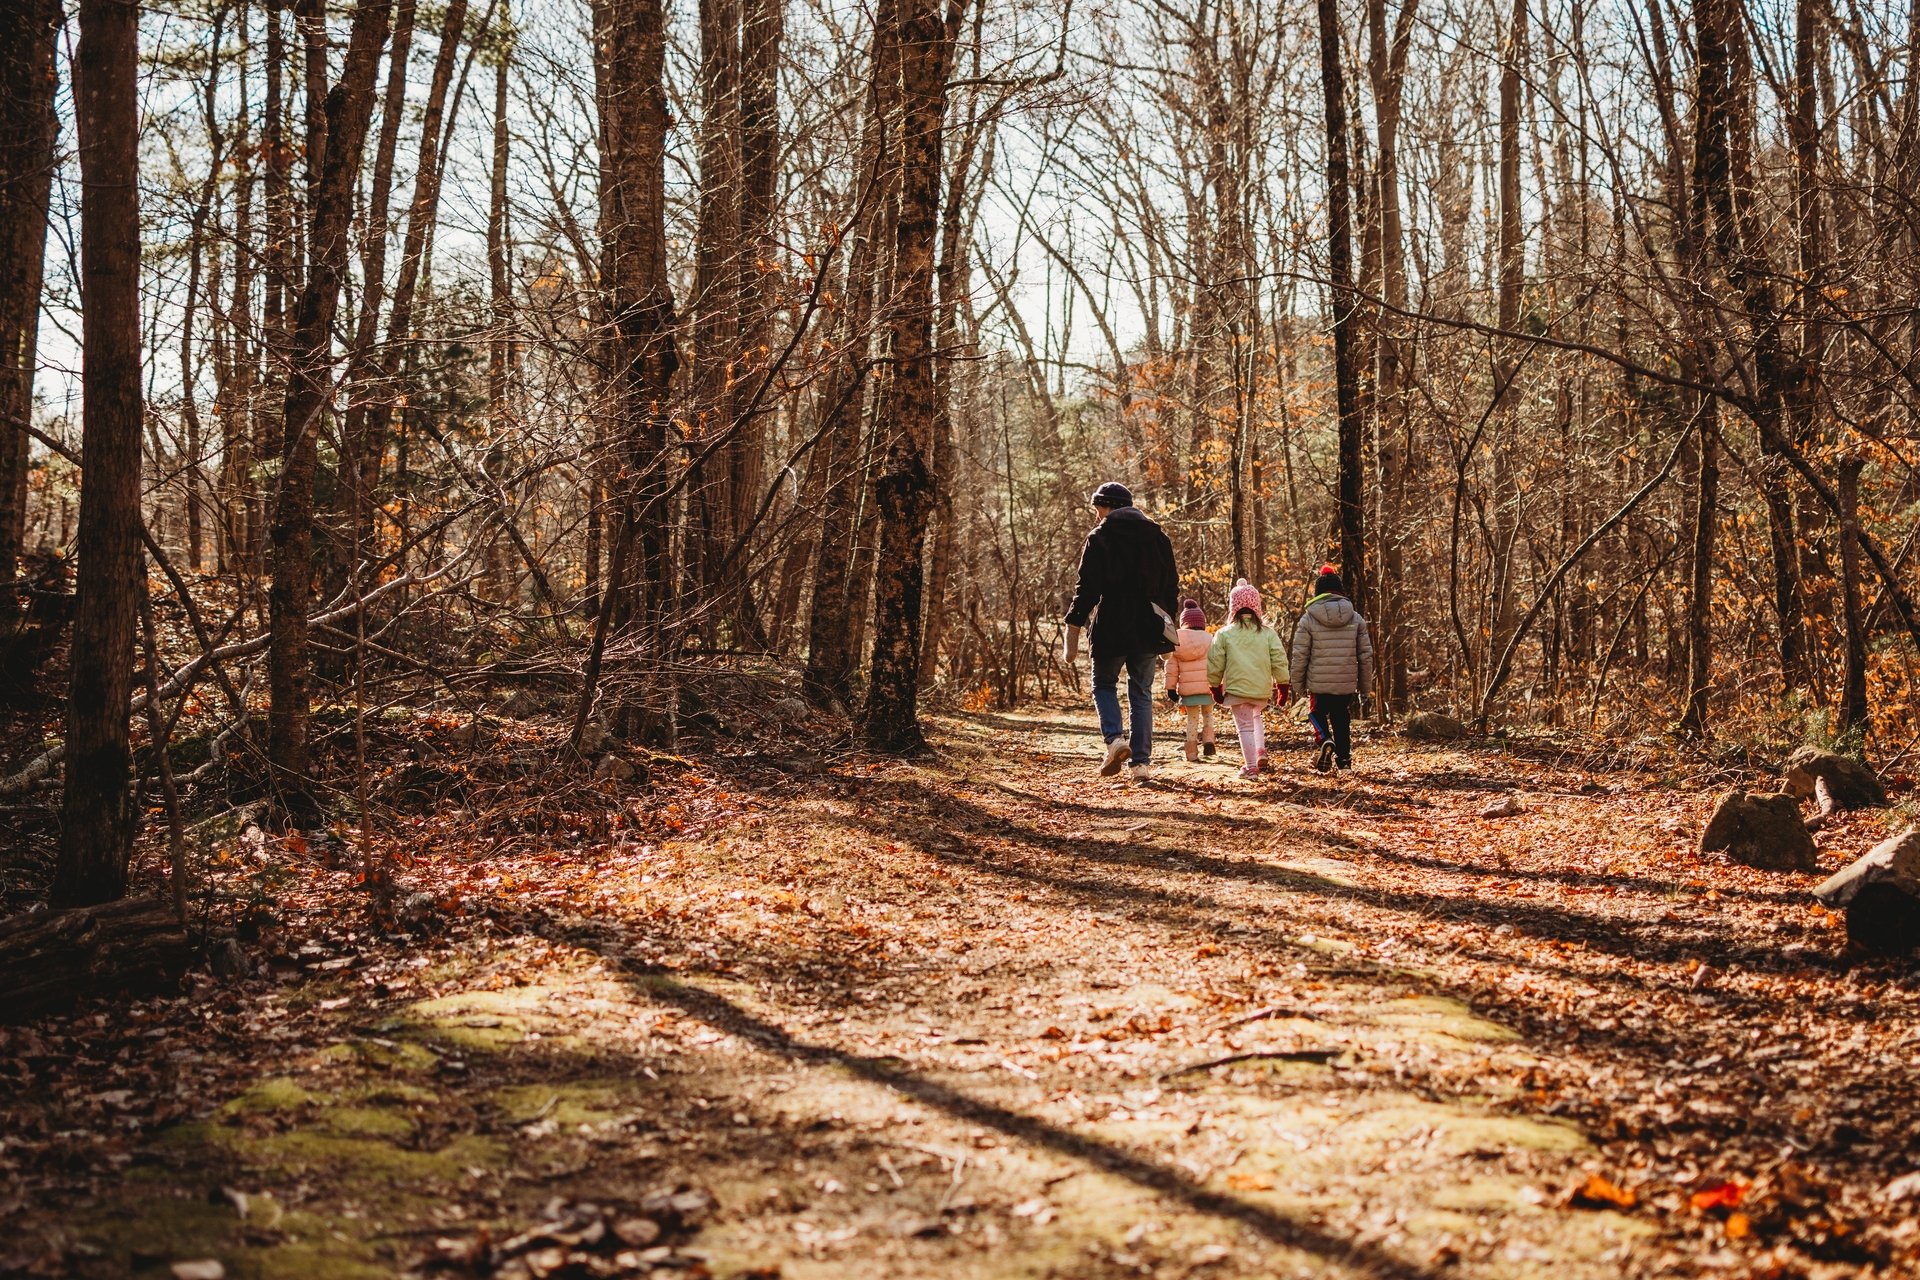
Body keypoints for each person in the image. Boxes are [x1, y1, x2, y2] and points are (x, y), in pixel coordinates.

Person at [1062, 482, 1179, 781]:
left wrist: (1074, 622)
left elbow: (1086, 587)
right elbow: (1170, 587)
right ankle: (1140, 764)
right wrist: (1168, 626)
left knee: (1103, 684)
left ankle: (1114, 740)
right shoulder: (1157, 537)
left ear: (1108, 506)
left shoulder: (1100, 536)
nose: (1096, 515)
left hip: (1111, 623)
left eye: (1098, 508)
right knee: (1140, 693)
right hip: (1148, 626)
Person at [1289, 564, 1374, 773]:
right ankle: (1344, 762)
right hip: (1345, 682)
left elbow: (1300, 654)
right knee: (1341, 718)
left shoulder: (1308, 619)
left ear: (1318, 593)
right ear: (1340, 592)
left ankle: (1325, 740)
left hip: (1318, 682)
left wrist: (1298, 684)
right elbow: (1365, 656)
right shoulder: (1355, 618)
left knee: (1316, 713)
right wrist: (1364, 687)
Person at [1206, 579, 1291, 779]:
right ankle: (1258, 754)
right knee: (1254, 720)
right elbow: (1279, 659)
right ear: (1256, 607)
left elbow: (1215, 662)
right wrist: (1282, 684)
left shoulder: (1224, 634)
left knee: (1244, 727)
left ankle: (1251, 767)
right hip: (1260, 689)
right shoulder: (1268, 634)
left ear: (1232, 607)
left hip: (1237, 690)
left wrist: (1215, 686)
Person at [1163, 599, 1217, 762]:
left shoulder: (1177, 640)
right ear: (1202, 622)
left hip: (1188, 691)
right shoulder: (1210, 639)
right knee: (1208, 714)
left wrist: (1170, 688)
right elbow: (1217, 663)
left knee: (1192, 720)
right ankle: (1208, 741)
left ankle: (1191, 753)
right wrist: (1220, 685)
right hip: (1208, 688)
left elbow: (1171, 665)